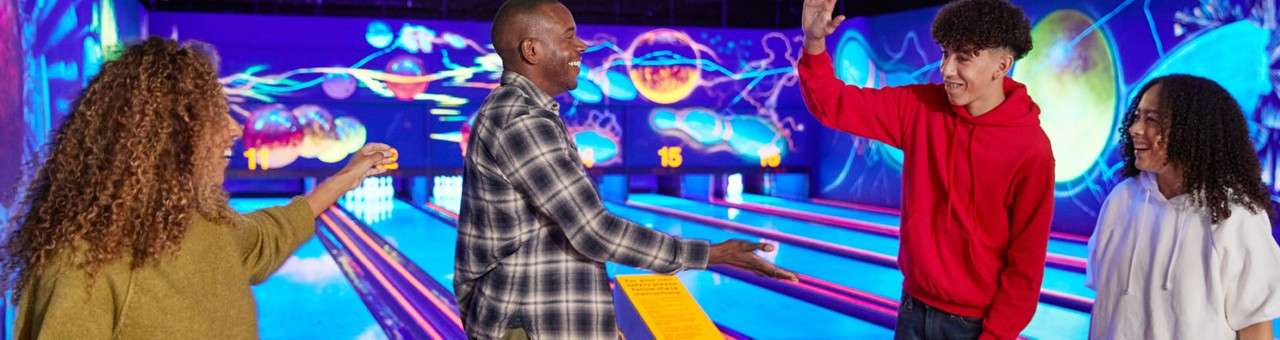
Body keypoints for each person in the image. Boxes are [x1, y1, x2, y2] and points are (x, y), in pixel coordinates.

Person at [3, 38, 395, 339]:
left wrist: (349, 175)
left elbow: (271, 233)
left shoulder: (204, 226)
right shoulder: (81, 264)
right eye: (213, 115)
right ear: (165, 136)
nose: (235, 129)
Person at [455, 1, 797, 339]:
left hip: (542, 322)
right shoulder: (521, 120)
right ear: (532, 50)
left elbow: (552, 244)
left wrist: (598, 327)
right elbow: (593, 230)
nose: (581, 46)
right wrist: (711, 254)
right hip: (530, 325)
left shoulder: (524, 113)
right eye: (568, 36)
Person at [799, 0, 1054, 339]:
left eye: (963, 58)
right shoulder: (920, 108)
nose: (946, 69)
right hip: (912, 309)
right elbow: (834, 104)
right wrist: (814, 42)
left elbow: (1026, 264)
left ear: (1002, 65)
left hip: (974, 327)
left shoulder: (1031, 149)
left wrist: (994, 336)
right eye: (945, 54)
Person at [1085, 74, 1280, 339]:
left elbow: (1255, 327)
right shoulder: (1121, 200)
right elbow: (1105, 305)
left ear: (1191, 130)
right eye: (1137, 116)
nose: (1134, 129)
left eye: (1151, 119)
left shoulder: (1236, 216)